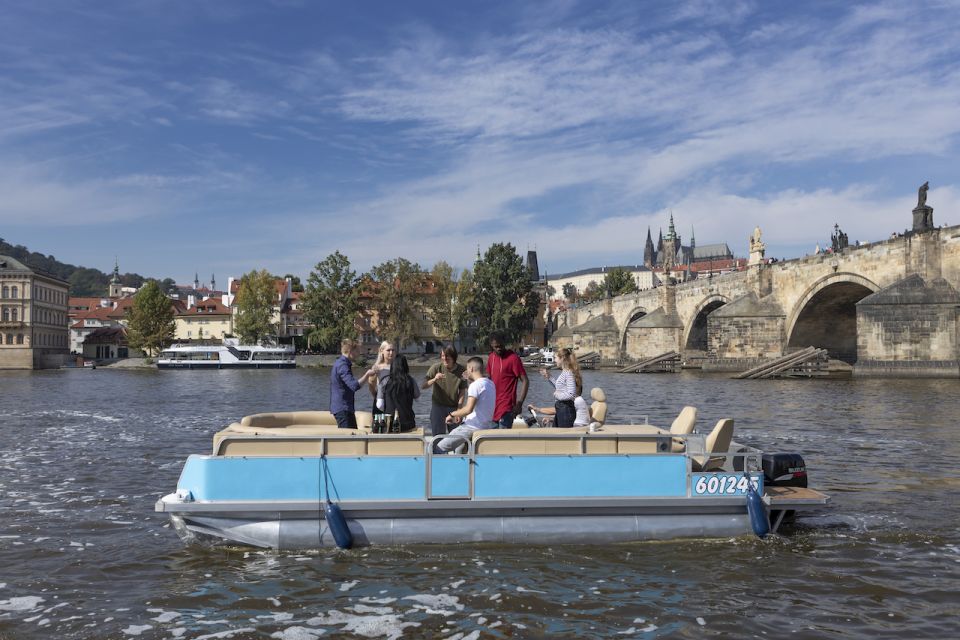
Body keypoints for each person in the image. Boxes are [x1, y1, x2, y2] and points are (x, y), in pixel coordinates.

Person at [434, 357, 495, 453]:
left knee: (438, 448)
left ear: (471, 369)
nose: (466, 371)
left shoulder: (475, 385)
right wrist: (470, 378)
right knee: (459, 450)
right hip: (485, 425)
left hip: (472, 426)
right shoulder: (490, 384)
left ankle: (444, 468)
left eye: (467, 368)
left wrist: (452, 415)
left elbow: (468, 409)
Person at [329, 338, 377, 429]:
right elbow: (354, 386)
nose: (359, 354)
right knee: (348, 440)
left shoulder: (340, 363)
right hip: (343, 409)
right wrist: (367, 375)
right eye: (357, 351)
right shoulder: (343, 366)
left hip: (343, 408)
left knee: (352, 436)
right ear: (351, 351)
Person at [421, 345, 467, 436]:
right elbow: (423, 386)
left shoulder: (462, 370)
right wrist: (434, 379)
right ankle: (437, 450)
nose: (444, 359)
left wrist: (459, 410)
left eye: (447, 356)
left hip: (454, 408)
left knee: (456, 437)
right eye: (442, 356)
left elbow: (462, 391)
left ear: (453, 357)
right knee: (437, 437)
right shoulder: (435, 368)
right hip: (438, 407)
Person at [487, 332, 528, 429]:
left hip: (507, 407)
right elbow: (488, 380)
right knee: (491, 441)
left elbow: (525, 381)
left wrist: (519, 403)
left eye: (501, 345)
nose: (499, 348)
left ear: (504, 343)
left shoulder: (513, 358)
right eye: (496, 346)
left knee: (502, 440)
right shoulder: (491, 358)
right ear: (491, 346)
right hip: (492, 407)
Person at [539, 347, 582, 428]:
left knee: (563, 436)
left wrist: (557, 395)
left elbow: (571, 394)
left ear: (562, 358)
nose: (554, 360)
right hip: (561, 408)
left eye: (555, 358)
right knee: (556, 434)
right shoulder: (565, 372)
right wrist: (548, 377)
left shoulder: (568, 373)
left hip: (566, 409)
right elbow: (559, 388)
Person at [383, 354, 420, 432]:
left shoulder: (385, 381)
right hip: (408, 423)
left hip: (389, 423)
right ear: (405, 366)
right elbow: (417, 397)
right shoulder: (411, 380)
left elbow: (379, 404)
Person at [367, 340, 395, 414]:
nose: (391, 353)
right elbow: (371, 385)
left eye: (393, 350)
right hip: (381, 401)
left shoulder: (398, 366)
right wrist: (377, 396)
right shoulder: (377, 367)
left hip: (395, 402)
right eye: (388, 350)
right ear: (382, 351)